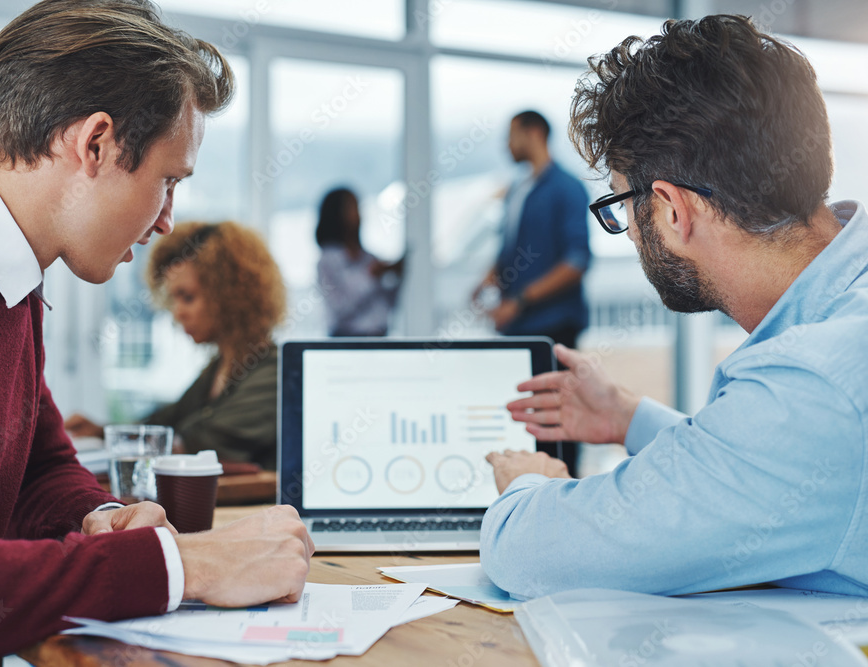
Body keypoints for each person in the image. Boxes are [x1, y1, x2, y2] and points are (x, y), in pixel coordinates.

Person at [0, 2, 311, 664]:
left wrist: (96, 515)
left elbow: (37, 471)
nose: (166, 220)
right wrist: (181, 565)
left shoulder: (6, 272)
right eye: (167, 181)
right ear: (96, 143)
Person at [481, 15, 868, 601]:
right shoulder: (838, 329)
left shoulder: (814, 381)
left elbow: (535, 556)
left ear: (669, 208)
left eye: (620, 205)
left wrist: (525, 489)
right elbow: (757, 469)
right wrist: (626, 416)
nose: (629, 233)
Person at [66, 222, 285, 470]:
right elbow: (166, 423)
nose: (177, 312)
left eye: (188, 297)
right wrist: (101, 432)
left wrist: (111, 437)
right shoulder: (219, 368)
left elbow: (196, 445)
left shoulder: (275, 374)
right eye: (174, 299)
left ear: (229, 295)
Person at [473, 110, 591, 349]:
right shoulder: (518, 190)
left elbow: (577, 262)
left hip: (553, 330)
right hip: (515, 327)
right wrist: (490, 277)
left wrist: (520, 301)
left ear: (534, 133)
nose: (507, 144)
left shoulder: (567, 188)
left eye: (512, 135)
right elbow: (514, 247)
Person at [315, 187, 404, 336]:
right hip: (344, 341)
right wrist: (371, 274)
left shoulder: (370, 258)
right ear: (336, 214)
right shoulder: (327, 262)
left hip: (379, 339)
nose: (358, 214)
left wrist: (396, 276)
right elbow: (341, 307)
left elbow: (388, 305)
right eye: (351, 207)